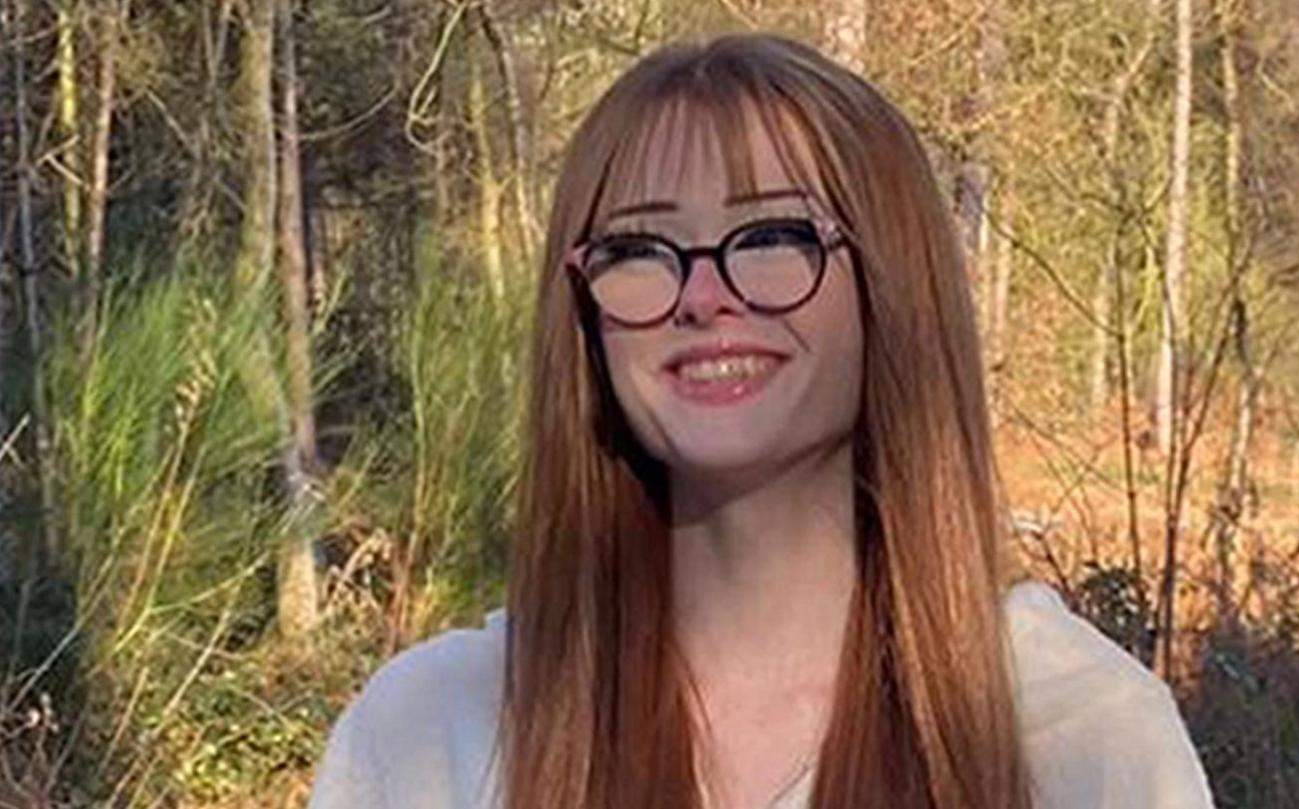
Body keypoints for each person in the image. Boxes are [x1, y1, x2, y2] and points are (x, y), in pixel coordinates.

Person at [308, 32, 1214, 809]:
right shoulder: (430, 737)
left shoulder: (1082, 739)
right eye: (637, 248)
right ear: (581, 310)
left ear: (892, 286)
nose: (702, 297)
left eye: (775, 236)